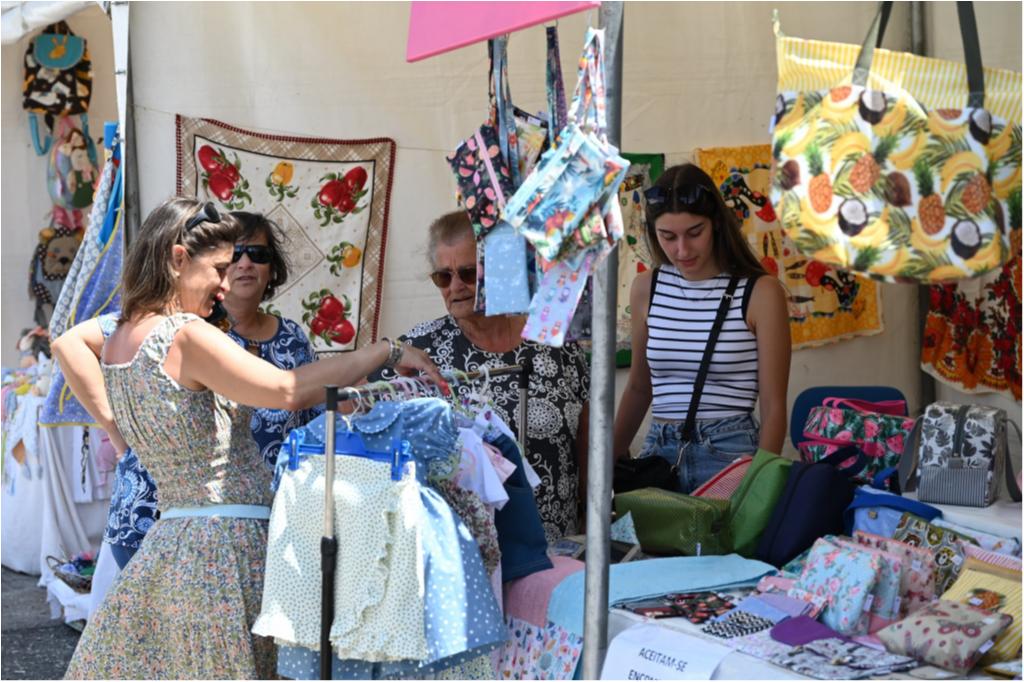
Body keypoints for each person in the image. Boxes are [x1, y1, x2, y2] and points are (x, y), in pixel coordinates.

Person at [54, 197, 444, 679]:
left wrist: (117, 432)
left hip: (171, 544)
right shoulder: (184, 335)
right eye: (219, 268)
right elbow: (287, 390)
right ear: (178, 259)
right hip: (226, 547)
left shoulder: (121, 337)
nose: (224, 284)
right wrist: (385, 351)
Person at [60, 212, 326, 573]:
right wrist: (115, 427)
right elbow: (69, 344)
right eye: (232, 258)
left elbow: (311, 419)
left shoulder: (291, 338)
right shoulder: (174, 325)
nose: (244, 265)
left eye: (259, 255)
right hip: (157, 516)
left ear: (272, 269)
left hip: (251, 521)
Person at [369, 210, 589, 543]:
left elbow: (587, 443)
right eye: (443, 277)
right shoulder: (420, 350)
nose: (456, 286)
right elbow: (360, 413)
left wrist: (593, 518)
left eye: (469, 273)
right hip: (469, 553)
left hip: (558, 547)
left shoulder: (555, 342)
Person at [612, 163, 791, 493]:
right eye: (668, 236)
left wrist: (760, 487)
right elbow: (638, 387)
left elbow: (773, 404)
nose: (682, 250)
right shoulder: (646, 288)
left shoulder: (760, 292)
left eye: (695, 233)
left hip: (729, 451)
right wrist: (602, 466)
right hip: (659, 452)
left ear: (717, 224)